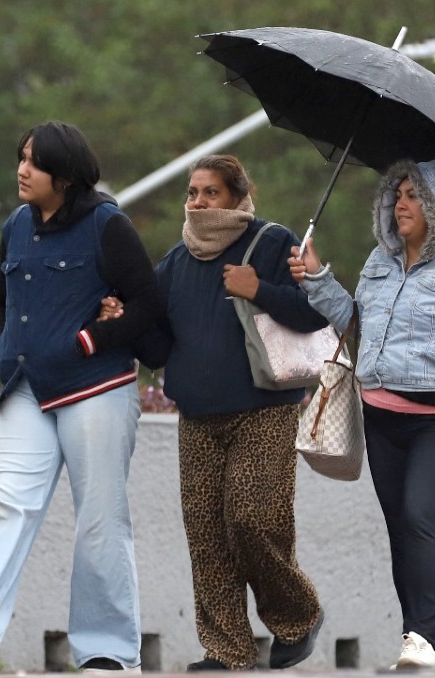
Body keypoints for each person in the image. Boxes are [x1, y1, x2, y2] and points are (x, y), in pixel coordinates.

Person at [0, 121, 163, 675]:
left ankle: (108, 653)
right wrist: (1, 343)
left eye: (35, 162)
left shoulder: (108, 226)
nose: (22, 170)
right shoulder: (14, 227)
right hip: (24, 387)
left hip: (96, 387)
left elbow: (148, 305)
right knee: (8, 506)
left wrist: (91, 338)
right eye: (20, 158)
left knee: (100, 520)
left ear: (66, 175)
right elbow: (3, 299)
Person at [101, 154, 327, 672]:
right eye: (193, 193)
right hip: (198, 418)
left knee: (249, 518)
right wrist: (125, 323)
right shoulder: (175, 263)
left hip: (264, 410)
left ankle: (298, 614)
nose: (199, 202)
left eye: (212, 193)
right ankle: (227, 651)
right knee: (206, 535)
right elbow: (158, 350)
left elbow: (315, 313)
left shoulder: (271, 243)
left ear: (237, 196)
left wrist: (259, 289)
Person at [288, 158, 435, 669]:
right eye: (398, 193)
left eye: (414, 195)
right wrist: (317, 277)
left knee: (420, 514)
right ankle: (416, 639)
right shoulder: (380, 262)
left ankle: (426, 640)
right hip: (382, 417)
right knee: (400, 527)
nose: (400, 203)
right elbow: (356, 324)